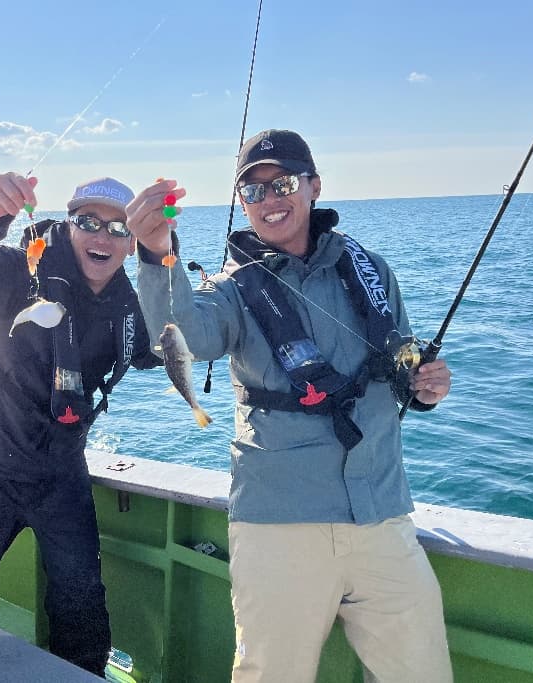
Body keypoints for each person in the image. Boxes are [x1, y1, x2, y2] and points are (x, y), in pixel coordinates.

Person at [125, 129, 454, 682]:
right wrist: (158, 255)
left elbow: (402, 355)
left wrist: (425, 384)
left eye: (282, 183)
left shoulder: (371, 270)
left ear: (313, 185)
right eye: (252, 192)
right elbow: (186, 337)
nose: (269, 200)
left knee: (423, 672)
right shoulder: (231, 289)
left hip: (382, 510)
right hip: (279, 521)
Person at [0, 173, 161, 676]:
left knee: (81, 600)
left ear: (131, 240)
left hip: (61, 475)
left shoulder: (129, 307)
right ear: (69, 225)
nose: (102, 236)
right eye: (88, 222)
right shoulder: (20, 273)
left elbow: (174, 343)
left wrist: (171, 265)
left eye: (118, 228)